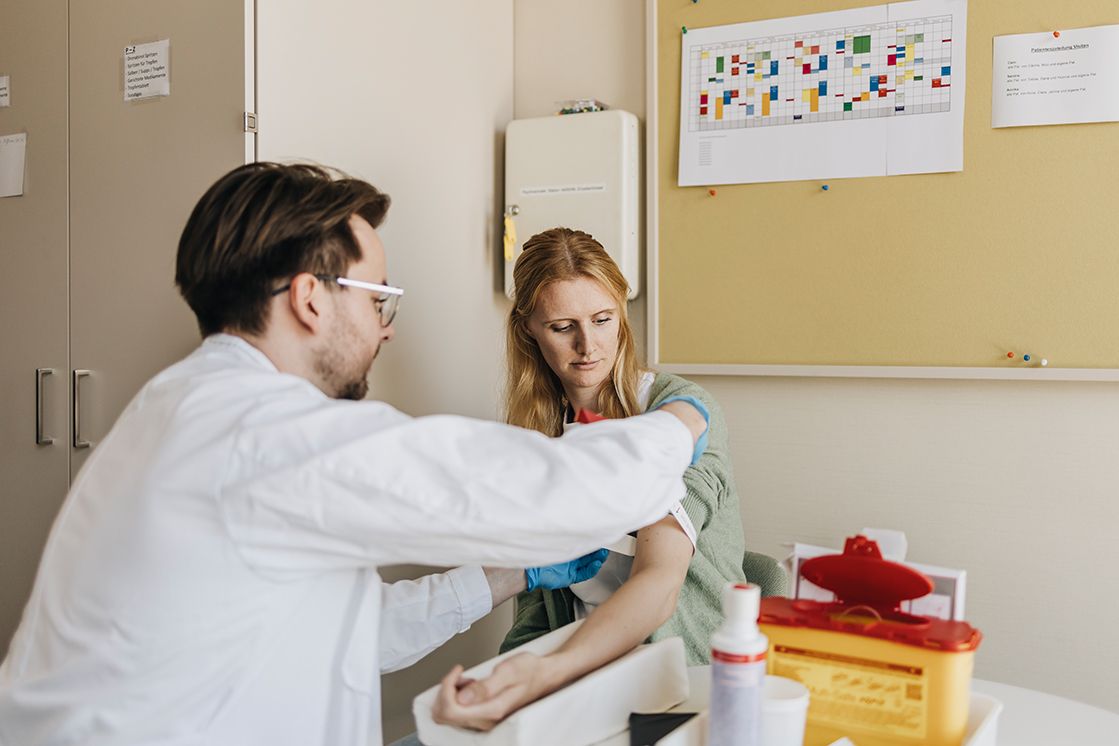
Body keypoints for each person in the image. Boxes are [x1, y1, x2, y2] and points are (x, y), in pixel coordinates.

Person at [0, 164, 710, 746]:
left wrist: (506, 575)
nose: (385, 330)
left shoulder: (176, 404)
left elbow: (340, 627)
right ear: (310, 299)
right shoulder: (268, 434)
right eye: (378, 302)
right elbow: (566, 490)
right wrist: (681, 418)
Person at [431, 228, 747, 731]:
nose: (588, 345)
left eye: (603, 320)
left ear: (621, 311)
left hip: (674, 679)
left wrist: (546, 673)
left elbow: (659, 583)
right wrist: (507, 687)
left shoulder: (680, 416)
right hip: (577, 672)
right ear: (528, 329)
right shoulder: (536, 433)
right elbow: (537, 607)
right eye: (562, 326)